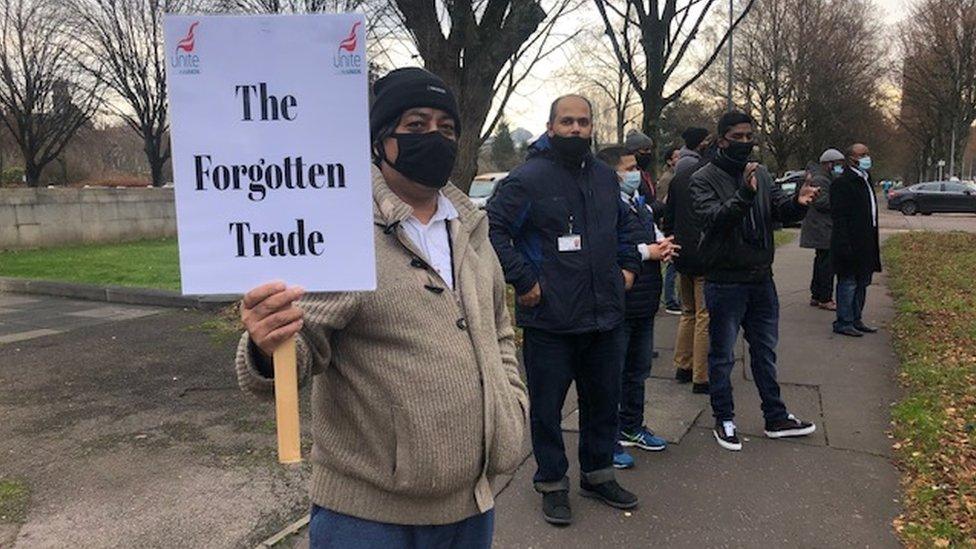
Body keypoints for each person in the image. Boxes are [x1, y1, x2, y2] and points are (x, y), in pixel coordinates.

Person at [235, 67, 529, 548]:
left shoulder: (472, 228)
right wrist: (267, 346)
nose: (433, 137)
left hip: (474, 506)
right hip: (369, 520)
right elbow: (300, 347)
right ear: (380, 139)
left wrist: (510, 412)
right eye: (415, 125)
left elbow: (498, 330)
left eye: (445, 127)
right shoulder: (338, 229)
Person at [488, 94, 642, 526]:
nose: (576, 129)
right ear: (551, 126)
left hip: (604, 317)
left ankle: (597, 474)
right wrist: (524, 279)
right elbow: (494, 230)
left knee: (603, 402)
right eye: (567, 121)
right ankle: (552, 482)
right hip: (551, 321)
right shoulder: (527, 180)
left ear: (593, 128)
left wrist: (629, 267)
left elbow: (625, 226)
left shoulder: (604, 178)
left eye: (583, 122)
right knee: (547, 409)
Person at [690, 111, 819, 451]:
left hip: (761, 278)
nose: (745, 143)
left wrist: (798, 203)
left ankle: (775, 417)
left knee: (765, 352)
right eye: (738, 137)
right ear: (722, 141)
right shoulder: (702, 177)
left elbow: (778, 209)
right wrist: (744, 195)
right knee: (722, 355)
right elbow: (714, 220)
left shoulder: (760, 172)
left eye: (749, 137)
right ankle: (725, 418)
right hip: (725, 280)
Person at [596, 145, 677, 470]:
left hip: (645, 301)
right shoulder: (603, 206)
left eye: (635, 168)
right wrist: (648, 252)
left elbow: (649, 233)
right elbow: (608, 248)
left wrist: (663, 244)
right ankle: (608, 439)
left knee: (637, 371)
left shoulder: (637, 202)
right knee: (610, 375)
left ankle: (632, 426)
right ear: (610, 173)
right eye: (628, 168)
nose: (635, 174)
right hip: (620, 303)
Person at [663, 133, 713, 394]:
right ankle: (701, 375)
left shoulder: (679, 177)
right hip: (705, 256)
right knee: (704, 315)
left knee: (688, 312)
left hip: (683, 253)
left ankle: (683, 365)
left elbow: (669, 217)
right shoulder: (713, 178)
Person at [830, 143, 882, 338]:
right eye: (862, 154)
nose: (867, 157)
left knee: (862, 282)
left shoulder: (866, 179)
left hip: (867, 240)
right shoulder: (843, 182)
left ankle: (856, 318)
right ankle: (844, 321)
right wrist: (844, 245)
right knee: (848, 282)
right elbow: (840, 217)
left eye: (868, 153)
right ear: (851, 158)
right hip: (850, 241)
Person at [800, 149, 844, 311]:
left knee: (821, 261)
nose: (840, 168)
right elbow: (821, 202)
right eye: (837, 164)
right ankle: (825, 297)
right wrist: (840, 202)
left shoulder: (823, 178)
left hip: (821, 226)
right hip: (822, 227)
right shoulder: (821, 180)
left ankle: (817, 295)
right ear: (828, 164)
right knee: (827, 264)